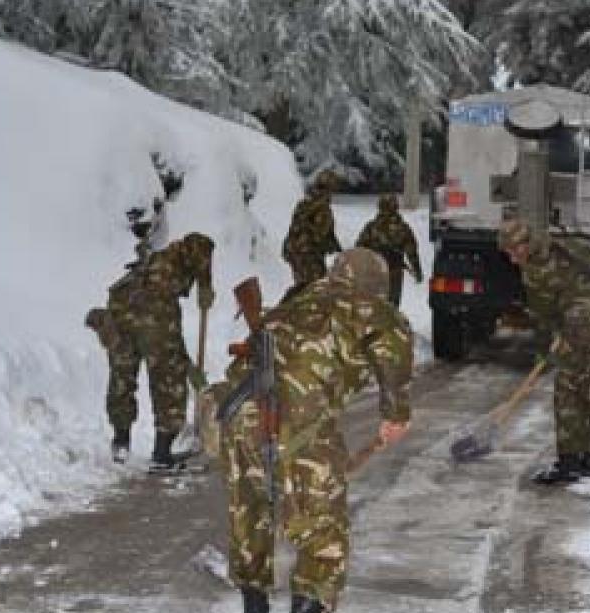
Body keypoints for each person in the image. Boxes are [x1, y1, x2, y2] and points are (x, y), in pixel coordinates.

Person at [199, 248, 413, 613]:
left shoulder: (300, 299)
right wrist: (395, 415)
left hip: (239, 414)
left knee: (250, 513)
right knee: (322, 532)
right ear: (377, 285)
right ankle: (308, 603)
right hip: (300, 426)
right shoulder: (374, 310)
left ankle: (254, 601)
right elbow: (394, 361)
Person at [85, 200, 215, 469]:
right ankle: (162, 452)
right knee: (167, 380)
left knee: (122, 380)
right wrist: (205, 283)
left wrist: (203, 285)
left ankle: (121, 444)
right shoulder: (176, 252)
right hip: (156, 322)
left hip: (121, 317)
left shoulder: (136, 266)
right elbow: (203, 243)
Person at [497, 218, 590, 485]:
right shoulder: (569, 245)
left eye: (513, 250)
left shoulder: (535, 270)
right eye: (507, 252)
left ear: (526, 244)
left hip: (583, 331)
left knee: (567, 394)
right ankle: (587, 459)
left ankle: (568, 464)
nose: (512, 258)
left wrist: (549, 347)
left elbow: (544, 315)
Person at [354, 193, 423, 307]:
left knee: (374, 305)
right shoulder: (403, 228)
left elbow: (359, 249)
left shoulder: (371, 227)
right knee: (392, 306)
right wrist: (417, 271)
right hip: (394, 272)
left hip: (374, 271)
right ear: (396, 207)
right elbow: (412, 251)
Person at [281, 169, 343, 292]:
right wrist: (331, 246)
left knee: (302, 286)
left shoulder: (304, 204)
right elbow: (319, 236)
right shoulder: (323, 208)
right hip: (309, 255)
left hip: (294, 251)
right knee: (315, 289)